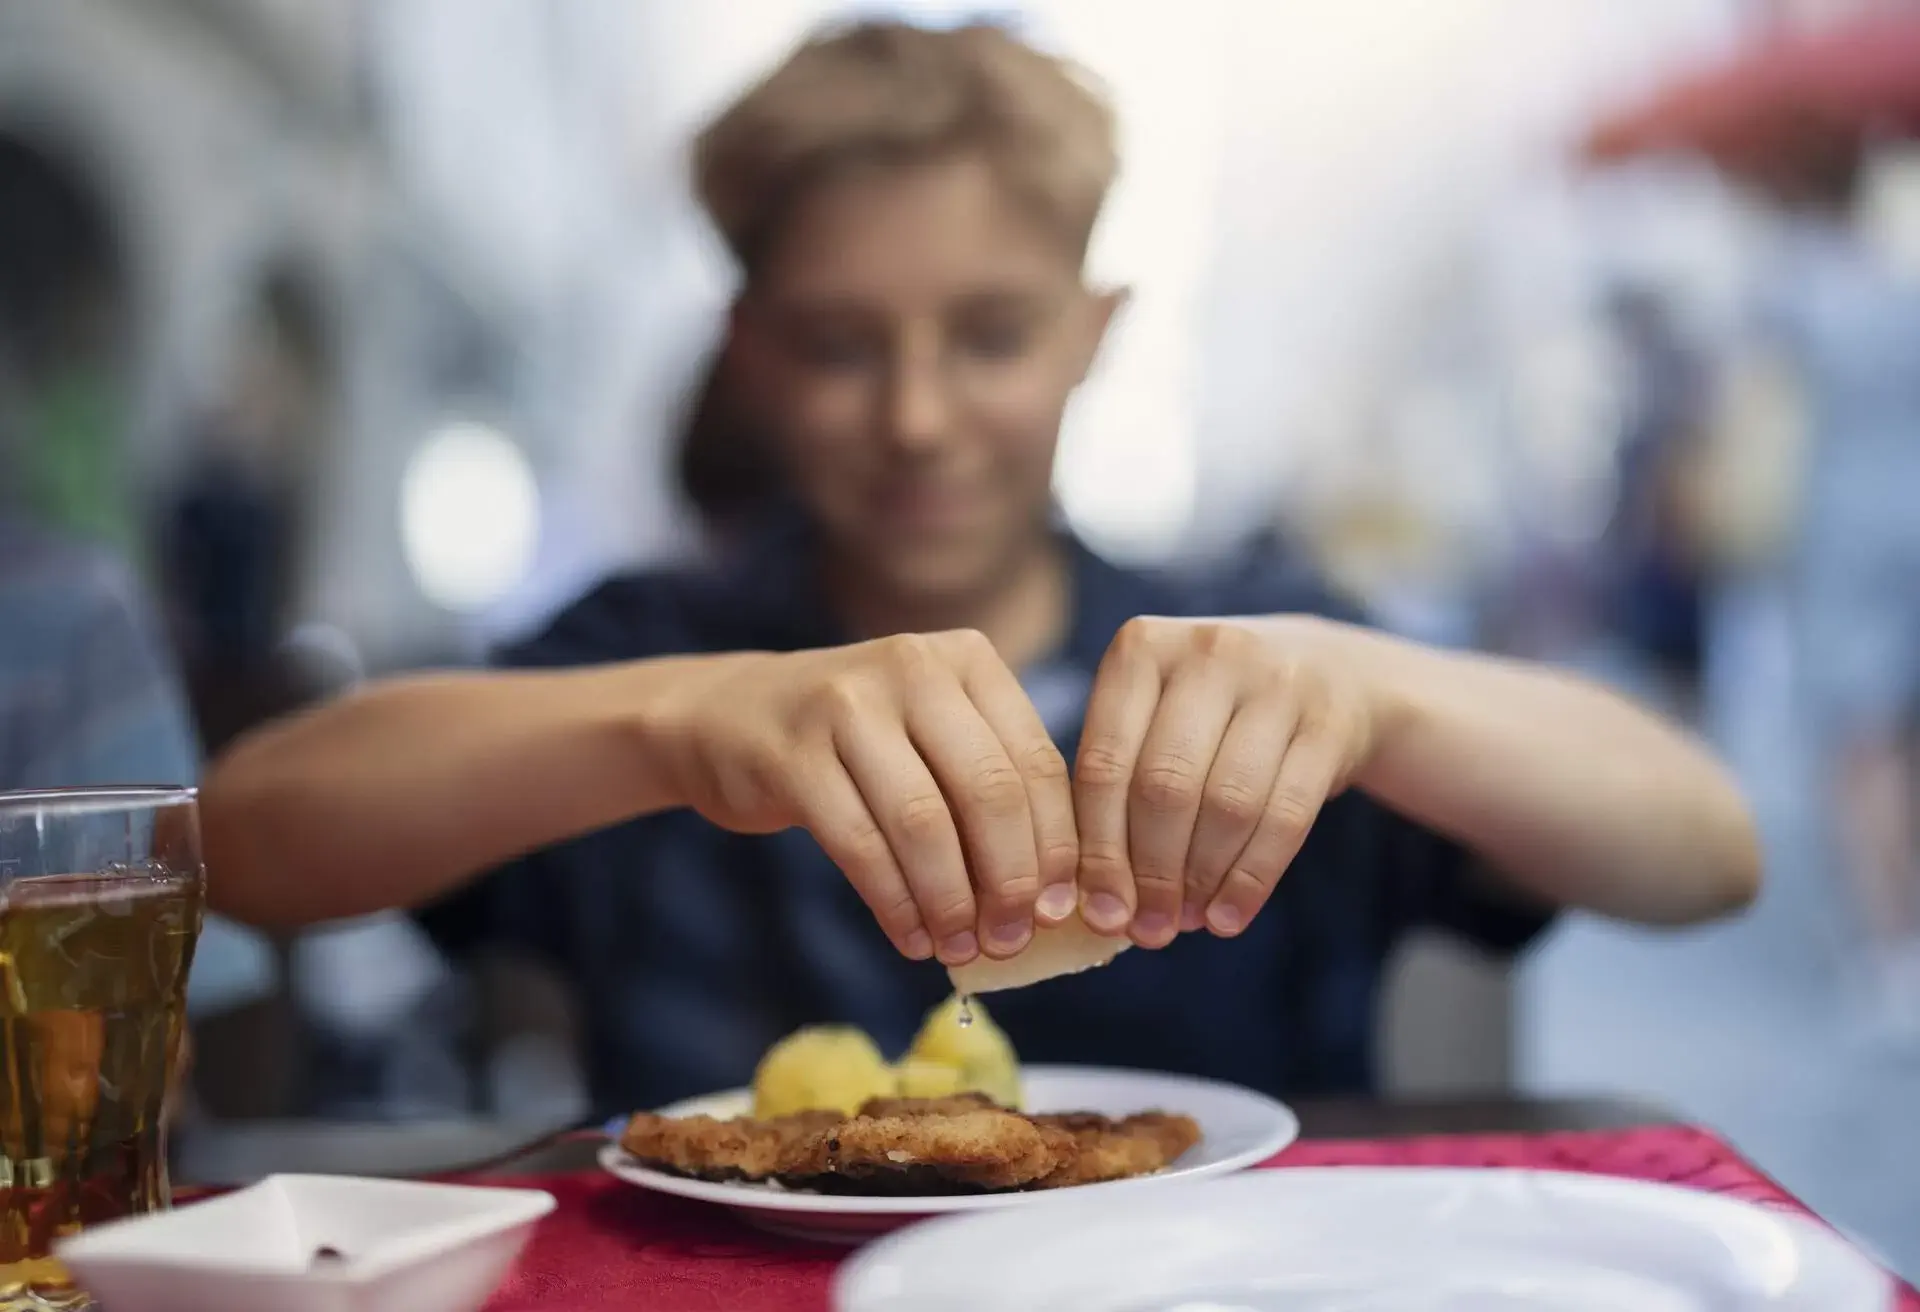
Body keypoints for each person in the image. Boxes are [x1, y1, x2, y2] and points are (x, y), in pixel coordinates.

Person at [201, 20, 1759, 1116]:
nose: (920, 418)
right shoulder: (654, 654)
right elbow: (245, 845)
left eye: (993, 336)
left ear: (1094, 334)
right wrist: (671, 726)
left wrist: (1382, 699)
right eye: (837, 346)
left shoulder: (1260, 666)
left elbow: (1703, 853)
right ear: (747, 357)